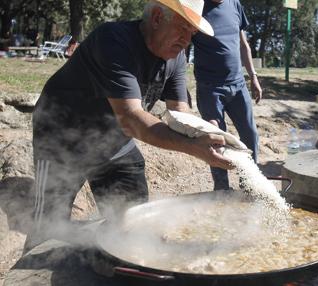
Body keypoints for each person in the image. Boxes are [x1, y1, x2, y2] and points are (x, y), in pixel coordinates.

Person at [26, 0, 232, 251]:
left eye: (192, 33)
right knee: (48, 225)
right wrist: (193, 147)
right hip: (62, 136)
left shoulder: (176, 56)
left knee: (133, 221)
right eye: (183, 28)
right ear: (157, 17)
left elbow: (180, 111)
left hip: (114, 139)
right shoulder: (113, 40)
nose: (187, 40)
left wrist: (205, 131)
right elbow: (131, 118)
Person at [192, 0, 262, 190]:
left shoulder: (235, 4)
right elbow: (184, 47)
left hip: (238, 85)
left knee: (250, 134)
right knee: (216, 139)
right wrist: (180, 88)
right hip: (210, 89)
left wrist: (253, 77)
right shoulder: (196, 6)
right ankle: (222, 189)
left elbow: (243, 45)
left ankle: (249, 184)